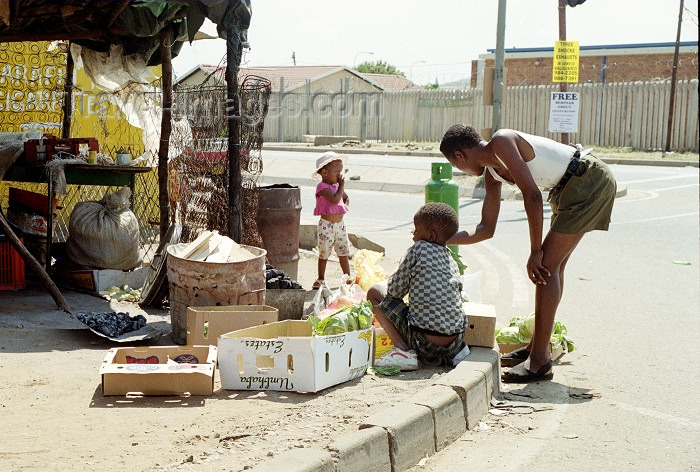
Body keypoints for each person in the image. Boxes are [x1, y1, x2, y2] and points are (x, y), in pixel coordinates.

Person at [439, 124, 617, 383]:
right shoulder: (492, 174)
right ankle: (538, 349)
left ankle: (540, 362)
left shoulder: (502, 141)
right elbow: (485, 229)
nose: (459, 170)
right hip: (568, 189)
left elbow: (532, 196)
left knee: (544, 265)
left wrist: (535, 252)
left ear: (459, 156)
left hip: (588, 180)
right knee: (552, 267)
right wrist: (440, 240)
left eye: (455, 165)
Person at [367, 202, 469, 367]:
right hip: (454, 341)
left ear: (431, 236)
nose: (413, 235)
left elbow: (394, 291)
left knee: (374, 292)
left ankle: (403, 350)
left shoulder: (418, 248)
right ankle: (457, 353)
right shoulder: (451, 259)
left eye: (416, 230)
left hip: (423, 342)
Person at [312, 151, 351, 289]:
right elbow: (334, 199)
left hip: (340, 225)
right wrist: (341, 186)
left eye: (341, 172)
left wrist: (343, 208)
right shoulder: (322, 187)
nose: (340, 175)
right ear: (324, 172)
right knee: (324, 252)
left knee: (343, 252)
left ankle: (347, 277)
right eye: (337, 172)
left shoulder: (336, 185)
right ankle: (321, 278)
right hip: (326, 226)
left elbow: (345, 198)